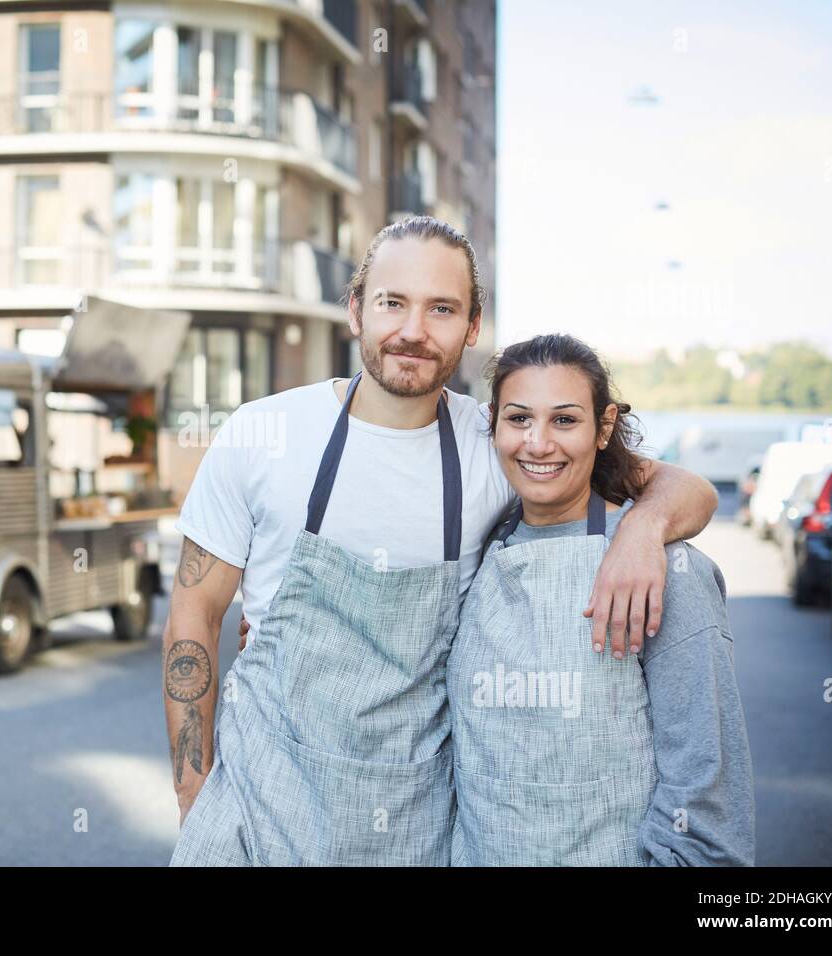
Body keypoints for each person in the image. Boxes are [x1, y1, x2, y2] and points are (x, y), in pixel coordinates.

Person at [163, 216, 719, 866]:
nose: (412, 331)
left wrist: (643, 529)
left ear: (473, 326)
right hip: (254, 821)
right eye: (392, 303)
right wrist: (193, 795)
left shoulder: (495, 442)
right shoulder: (265, 434)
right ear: (355, 310)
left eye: (442, 309)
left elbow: (684, 487)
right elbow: (193, 616)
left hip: (408, 830)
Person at [446, 333, 755, 865]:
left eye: (565, 420)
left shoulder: (667, 568)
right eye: (519, 419)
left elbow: (705, 791)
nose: (538, 443)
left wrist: (644, 526)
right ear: (493, 423)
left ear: (604, 426)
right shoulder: (476, 542)